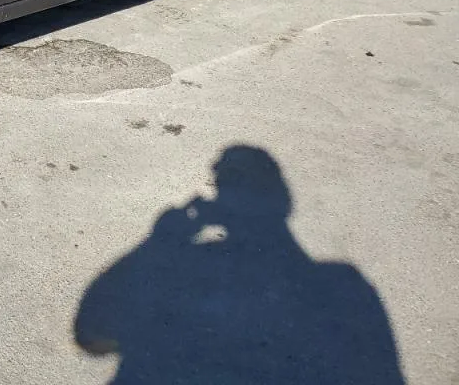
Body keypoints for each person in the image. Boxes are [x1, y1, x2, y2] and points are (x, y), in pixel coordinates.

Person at [74, 145, 405, 384]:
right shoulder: (346, 286)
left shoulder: (189, 266)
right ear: (284, 202)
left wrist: (159, 242)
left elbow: (91, 334)